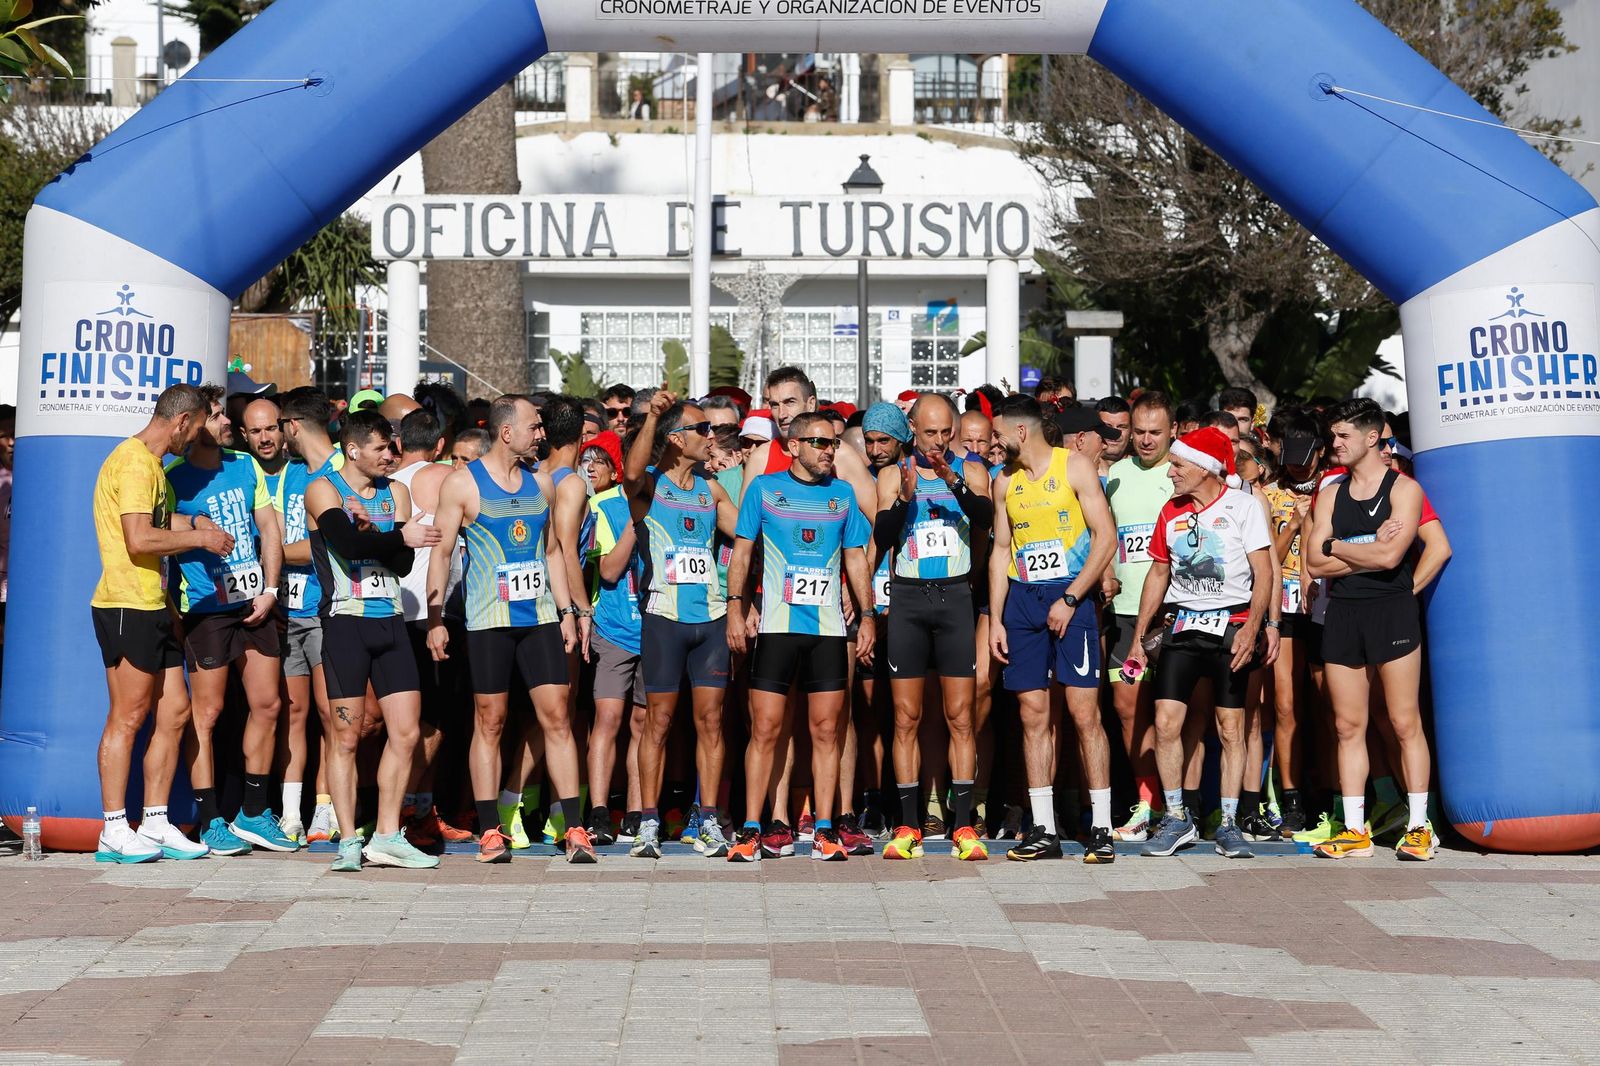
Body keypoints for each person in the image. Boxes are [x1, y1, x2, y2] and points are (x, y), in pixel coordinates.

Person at [428, 395, 591, 864]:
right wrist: (436, 620)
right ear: (507, 433)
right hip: (487, 623)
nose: (542, 434)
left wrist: (566, 614)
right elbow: (441, 554)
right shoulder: (463, 484)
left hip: (538, 618)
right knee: (491, 722)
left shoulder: (542, 483)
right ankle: (490, 831)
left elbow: (554, 552)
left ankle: (575, 829)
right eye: (534, 427)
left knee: (557, 717)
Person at [92, 384, 234, 863]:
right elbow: (137, 538)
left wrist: (201, 529)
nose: (194, 440)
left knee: (175, 711)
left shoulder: (153, 469)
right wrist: (199, 539)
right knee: (128, 717)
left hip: (155, 604)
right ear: (180, 421)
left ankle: (154, 823)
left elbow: (160, 518)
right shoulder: (133, 462)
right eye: (195, 429)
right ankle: (113, 829)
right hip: (125, 604)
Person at [1122, 427, 1279, 860]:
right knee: (1166, 721)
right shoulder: (1170, 511)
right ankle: (1176, 818)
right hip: (1182, 626)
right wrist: (1139, 637)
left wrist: (1257, 626)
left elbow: (1264, 572)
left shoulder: (1243, 506)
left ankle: (1228, 823)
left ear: (1206, 467)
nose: (1170, 472)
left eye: (1178, 464)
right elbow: (1158, 573)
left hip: (1232, 626)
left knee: (1231, 727)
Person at [726, 412, 875, 862]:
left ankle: (825, 828)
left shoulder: (843, 494)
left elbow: (855, 559)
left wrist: (867, 616)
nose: (829, 451)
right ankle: (754, 827)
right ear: (793, 447)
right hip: (776, 627)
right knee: (767, 730)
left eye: (832, 444)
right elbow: (742, 553)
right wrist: (736, 608)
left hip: (828, 630)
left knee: (827, 731)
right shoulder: (765, 490)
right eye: (819, 443)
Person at [306, 409, 445, 871]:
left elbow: (403, 565)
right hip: (346, 622)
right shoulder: (324, 489)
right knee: (346, 737)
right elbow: (347, 546)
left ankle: (386, 834)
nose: (391, 455)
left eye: (393, 447)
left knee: (406, 732)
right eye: (382, 448)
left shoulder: (397, 493)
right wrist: (393, 537)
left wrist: (383, 534)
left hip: (391, 621)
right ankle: (348, 840)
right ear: (353, 449)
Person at [988, 395, 1118, 863]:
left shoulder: (1075, 467)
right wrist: (997, 621)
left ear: (1022, 431)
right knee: (1032, 716)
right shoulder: (1004, 481)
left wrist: (1070, 598)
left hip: (1070, 596)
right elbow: (1001, 551)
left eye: (999, 433)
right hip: (1022, 600)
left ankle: (1101, 826)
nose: (993, 443)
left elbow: (1106, 537)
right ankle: (1042, 828)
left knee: (1085, 715)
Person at [1304, 398, 1436, 861]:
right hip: (1343, 613)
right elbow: (1313, 563)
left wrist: (1337, 545)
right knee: (1346, 725)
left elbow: (1389, 558)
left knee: (1403, 721)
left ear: (1373, 436)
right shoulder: (1329, 493)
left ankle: (1420, 826)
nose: (1334, 444)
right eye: (1333, 435)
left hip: (1392, 609)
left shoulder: (1405, 490)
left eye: (1343, 436)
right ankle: (1356, 829)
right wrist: (1358, 546)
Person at [166, 386, 293, 855]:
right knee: (208, 714)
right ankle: (209, 819)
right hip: (205, 610)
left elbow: (269, 529)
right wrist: (171, 608)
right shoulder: (172, 476)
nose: (224, 423)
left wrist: (271, 590)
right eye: (216, 416)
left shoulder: (245, 466)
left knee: (268, 705)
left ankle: (254, 814)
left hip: (253, 604)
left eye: (221, 415)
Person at [875, 395, 993, 862]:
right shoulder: (893, 474)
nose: (940, 442)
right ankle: (907, 824)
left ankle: (963, 825)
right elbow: (884, 537)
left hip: (954, 598)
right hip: (907, 599)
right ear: (913, 431)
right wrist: (906, 498)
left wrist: (952, 479)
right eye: (930, 434)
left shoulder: (972, 471)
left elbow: (985, 519)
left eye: (948, 433)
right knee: (906, 717)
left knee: (961, 717)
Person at [623, 390, 740, 859]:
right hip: (665, 618)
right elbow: (631, 474)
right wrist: (651, 416)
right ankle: (649, 822)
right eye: (702, 429)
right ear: (676, 439)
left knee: (711, 722)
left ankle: (708, 818)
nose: (710, 436)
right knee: (659, 722)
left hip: (709, 618)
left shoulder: (711, 490)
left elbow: (748, 533)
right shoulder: (651, 487)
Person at [390, 407, 470, 848]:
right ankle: (412, 811)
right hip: (433, 613)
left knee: (402, 721)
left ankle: (409, 810)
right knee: (432, 723)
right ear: (440, 445)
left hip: (394, 609)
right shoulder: (444, 477)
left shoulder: (390, 483)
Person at [1102, 391, 1175, 843]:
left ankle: (1179, 805)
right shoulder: (1113, 475)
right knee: (1129, 711)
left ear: (1172, 431)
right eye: (1139, 432)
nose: (1146, 441)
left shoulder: (1183, 473)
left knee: (1174, 717)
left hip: (1172, 613)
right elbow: (1101, 533)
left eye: (1155, 432)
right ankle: (1147, 803)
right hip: (1124, 612)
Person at [275, 388, 344, 844]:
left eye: (280, 425)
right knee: (293, 712)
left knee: (329, 712)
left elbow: (326, 544)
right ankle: (289, 813)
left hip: (327, 610)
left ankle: (326, 810)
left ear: (293, 425)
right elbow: (280, 527)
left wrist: (273, 555)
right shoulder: (288, 474)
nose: (277, 435)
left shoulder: (344, 468)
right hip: (288, 610)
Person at [1259, 415, 1323, 838]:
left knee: (1328, 705)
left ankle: (1337, 797)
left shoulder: (1333, 487)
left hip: (1324, 607)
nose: (1299, 468)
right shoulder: (1267, 494)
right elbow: (1268, 558)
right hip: (1282, 609)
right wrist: (1296, 524)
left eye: (1307, 460)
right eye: (1291, 460)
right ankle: (1291, 798)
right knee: (1285, 707)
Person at [581, 430, 642, 847]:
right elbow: (608, 571)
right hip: (613, 628)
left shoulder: (648, 498)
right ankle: (600, 811)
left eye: (600, 461)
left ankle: (638, 812)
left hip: (654, 628)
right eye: (587, 461)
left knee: (645, 724)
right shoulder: (598, 507)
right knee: (608, 720)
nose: (591, 469)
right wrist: (637, 526)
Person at [1095, 396, 1132, 467]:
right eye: (1107, 426)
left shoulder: (1145, 471)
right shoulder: (1077, 469)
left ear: (1132, 433)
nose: (1114, 433)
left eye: (1121, 427)